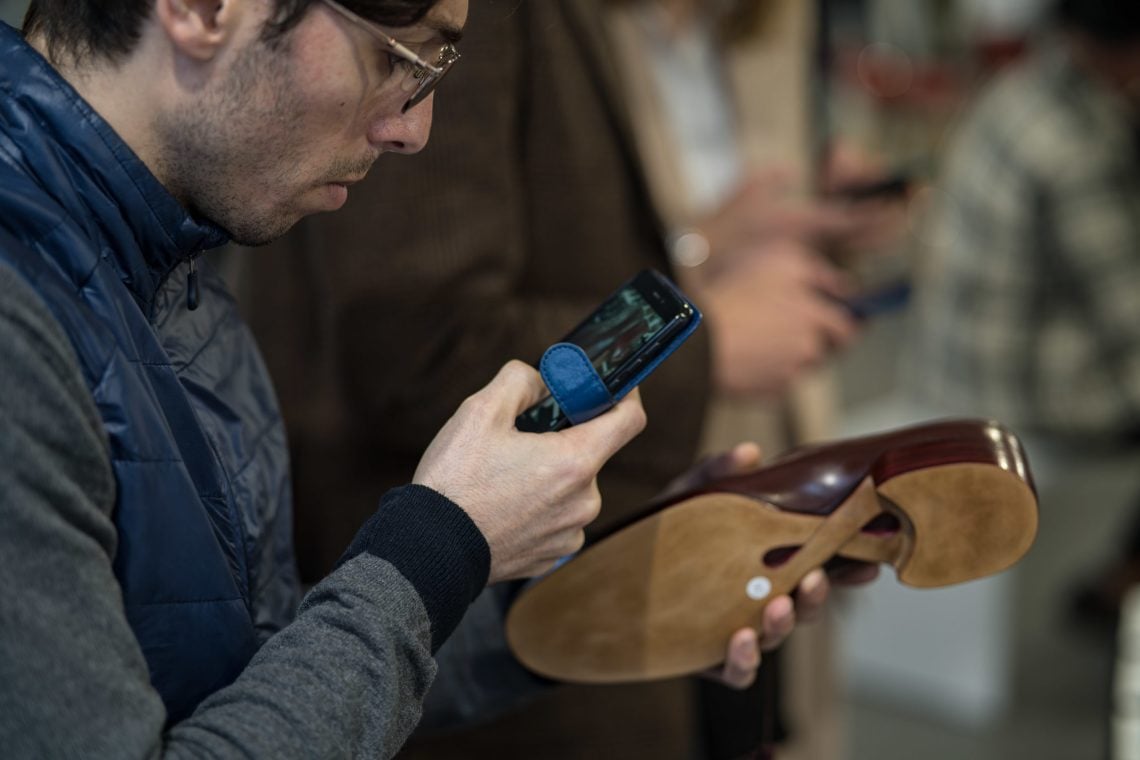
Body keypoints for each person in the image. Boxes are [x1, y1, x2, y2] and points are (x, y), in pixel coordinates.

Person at [0, 0, 823, 756]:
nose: (415, 129)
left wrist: (617, 586)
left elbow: (261, 686)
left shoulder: (182, 276)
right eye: (402, 57)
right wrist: (441, 541)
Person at [235, 1, 889, 757]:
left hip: (522, 614)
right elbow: (421, 339)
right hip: (447, 659)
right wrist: (713, 344)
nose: (410, 126)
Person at [906, 0, 1140, 624]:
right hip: (1018, 388)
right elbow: (1128, 310)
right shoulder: (1080, 139)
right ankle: (1120, 586)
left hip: (955, 356)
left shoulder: (1024, 87)